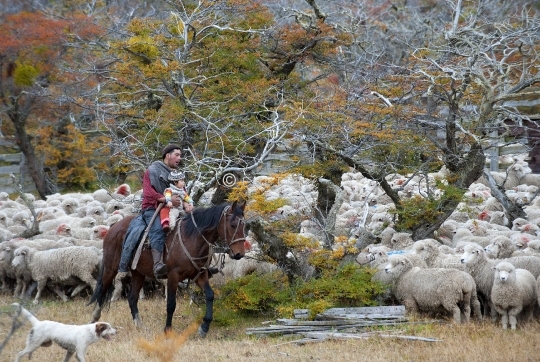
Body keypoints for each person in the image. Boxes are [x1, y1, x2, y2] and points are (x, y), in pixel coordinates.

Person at [118, 144, 191, 278]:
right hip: (153, 208)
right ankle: (157, 264)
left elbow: (183, 191)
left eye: (180, 155)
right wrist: (165, 199)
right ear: (168, 155)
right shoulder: (152, 170)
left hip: (176, 208)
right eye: (177, 155)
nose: (179, 158)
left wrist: (187, 205)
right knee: (158, 228)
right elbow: (148, 192)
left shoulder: (176, 173)